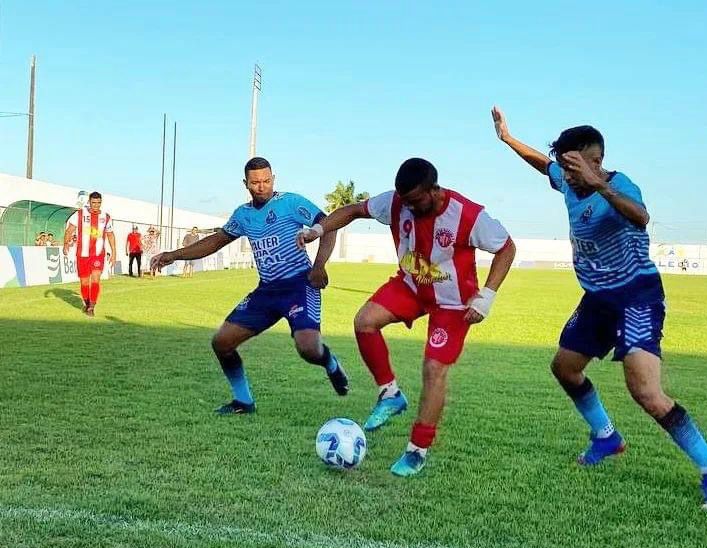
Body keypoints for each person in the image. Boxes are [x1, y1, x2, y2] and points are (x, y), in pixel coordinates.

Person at [491, 106, 707, 510]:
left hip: (636, 295)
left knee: (646, 392)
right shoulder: (567, 182)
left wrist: (599, 185)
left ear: (595, 161)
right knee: (565, 368)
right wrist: (508, 139)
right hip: (598, 298)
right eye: (564, 166)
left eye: (572, 167)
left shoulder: (620, 187)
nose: (565, 175)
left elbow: (641, 218)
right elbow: (541, 165)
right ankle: (606, 437)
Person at [298, 158, 516, 477]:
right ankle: (390, 394)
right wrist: (319, 229)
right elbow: (353, 210)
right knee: (364, 321)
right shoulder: (397, 202)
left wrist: (488, 295)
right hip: (411, 285)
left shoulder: (468, 214)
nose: (409, 209)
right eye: (405, 203)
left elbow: (506, 248)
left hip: (453, 303)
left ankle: (417, 450)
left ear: (434, 191)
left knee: (433, 368)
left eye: (416, 201)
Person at [151, 157, 349, 414]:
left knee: (309, 349)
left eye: (266, 180)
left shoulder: (291, 202)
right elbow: (216, 241)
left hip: (300, 284)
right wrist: (174, 254)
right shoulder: (243, 215)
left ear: (273, 179)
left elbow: (328, 226)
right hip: (266, 291)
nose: (261, 186)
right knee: (221, 342)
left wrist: (320, 265)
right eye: (255, 182)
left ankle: (331, 364)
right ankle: (243, 401)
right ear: (246, 183)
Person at [63, 191, 116, 317]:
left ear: (101, 202)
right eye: (94, 203)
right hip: (82, 254)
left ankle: (92, 307)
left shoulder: (106, 217)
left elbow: (110, 235)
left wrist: (114, 252)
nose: (96, 205)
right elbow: (70, 230)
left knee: (96, 278)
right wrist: (65, 244)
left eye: (98, 203)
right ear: (89, 202)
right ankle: (87, 303)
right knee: (84, 282)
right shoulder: (79, 214)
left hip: (98, 254)